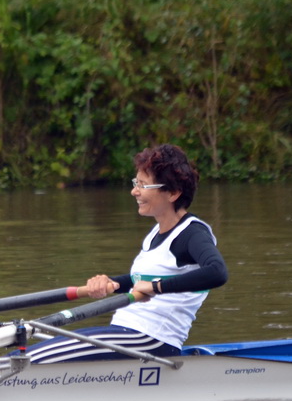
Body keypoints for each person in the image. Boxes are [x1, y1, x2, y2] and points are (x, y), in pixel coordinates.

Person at [25, 143, 227, 363]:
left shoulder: (192, 233)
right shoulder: (155, 233)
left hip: (153, 340)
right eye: (135, 183)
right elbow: (139, 281)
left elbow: (217, 272)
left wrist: (156, 287)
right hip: (127, 333)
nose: (134, 191)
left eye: (143, 185)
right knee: (26, 354)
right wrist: (111, 283)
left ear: (173, 193)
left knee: (30, 361)